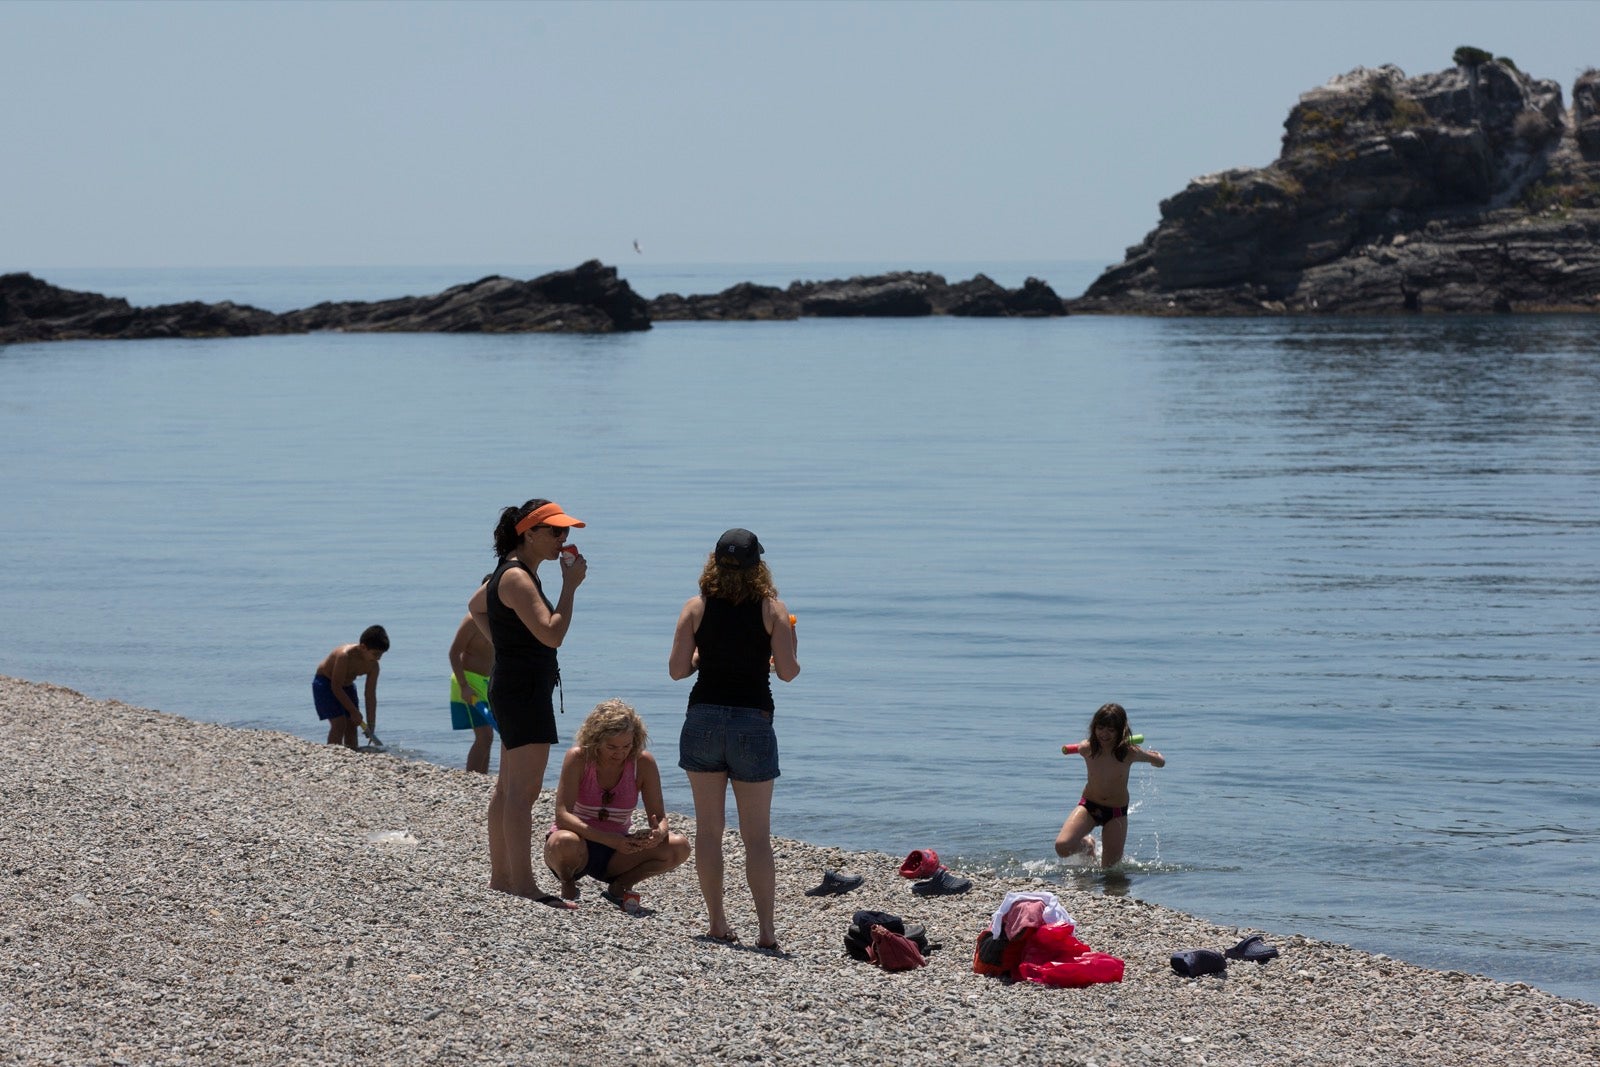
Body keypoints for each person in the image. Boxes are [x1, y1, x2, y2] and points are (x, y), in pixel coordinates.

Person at [668, 528, 799, 951]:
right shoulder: (772, 610)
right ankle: (766, 931)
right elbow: (788, 671)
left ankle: (718, 922)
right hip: (752, 721)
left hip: (703, 716)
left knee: (709, 831)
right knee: (756, 836)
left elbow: (676, 670)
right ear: (757, 565)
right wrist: (784, 644)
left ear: (714, 564)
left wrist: (704, 656)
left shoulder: (696, 607)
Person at [467, 499, 587, 907]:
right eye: (555, 532)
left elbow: (476, 605)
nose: (562, 539)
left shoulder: (514, 570)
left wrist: (503, 645)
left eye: (566, 532)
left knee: (507, 789)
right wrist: (570, 587)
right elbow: (553, 634)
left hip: (513, 685)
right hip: (523, 690)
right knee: (522, 792)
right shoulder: (518, 577)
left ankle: (502, 878)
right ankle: (523, 885)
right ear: (529, 532)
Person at [543, 698, 691, 911]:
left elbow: (659, 817)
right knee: (563, 841)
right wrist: (609, 840)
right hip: (576, 844)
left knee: (680, 847)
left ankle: (620, 886)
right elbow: (562, 815)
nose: (620, 753)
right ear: (595, 740)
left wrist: (659, 832)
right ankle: (568, 882)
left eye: (627, 746)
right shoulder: (579, 758)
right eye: (611, 747)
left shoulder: (643, 763)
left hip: (616, 852)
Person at [1054, 702, 1166, 868]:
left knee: (1110, 870)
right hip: (1088, 806)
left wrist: (1157, 760)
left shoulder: (1129, 752)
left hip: (1116, 813)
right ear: (1094, 728)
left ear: (1120, 731)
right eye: (1100, 728)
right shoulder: (1087, 748)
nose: (1104, 734)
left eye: (1111, 730)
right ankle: (1087, 846)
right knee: (1062, 847)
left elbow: (1158, 761)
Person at [312, 625, 389, 749]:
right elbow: (335, 686)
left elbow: (370, 695)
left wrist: (371, 723)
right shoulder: (345, 656)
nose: (378, 658)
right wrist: (354, 711)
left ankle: (352, 753)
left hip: (347, 687)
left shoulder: (374, 666)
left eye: (381, 655)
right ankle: (332, 753)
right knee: (339, 723)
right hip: (325, 684)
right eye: (375, 654)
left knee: (352, 724)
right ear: (363, 647)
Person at [448, 591, 497, 773]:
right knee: (484, 735)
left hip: (487, 683)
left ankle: (482, 776)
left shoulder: (501, 620)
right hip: (467, 681)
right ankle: (472, 777)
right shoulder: (472, 620)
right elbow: (453, 653)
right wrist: (464, 686)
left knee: (489, 736)